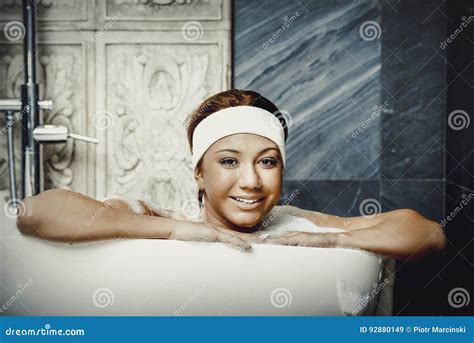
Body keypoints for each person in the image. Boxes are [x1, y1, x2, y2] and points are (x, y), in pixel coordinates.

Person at [16, 89, 446, 261]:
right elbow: (35, 212)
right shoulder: (157, 215)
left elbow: (428, 234)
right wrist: (174, 232)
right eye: (227, 161)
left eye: (267, 161)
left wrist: (334, 239)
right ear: (198, 173)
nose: (252, 182)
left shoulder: (293, 224)